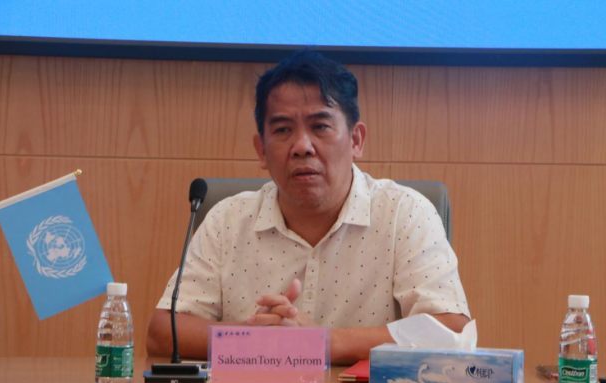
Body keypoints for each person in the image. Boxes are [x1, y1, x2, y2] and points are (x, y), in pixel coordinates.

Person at [146, 50, 470, 364]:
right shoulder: (226, 220)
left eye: (320, 126)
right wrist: (254, 337)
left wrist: (322, 343)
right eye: (283, 130)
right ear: (261, 150)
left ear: (356, 140)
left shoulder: (405, 213)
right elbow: (163, 333)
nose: (302, 146)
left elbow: (452, 331)